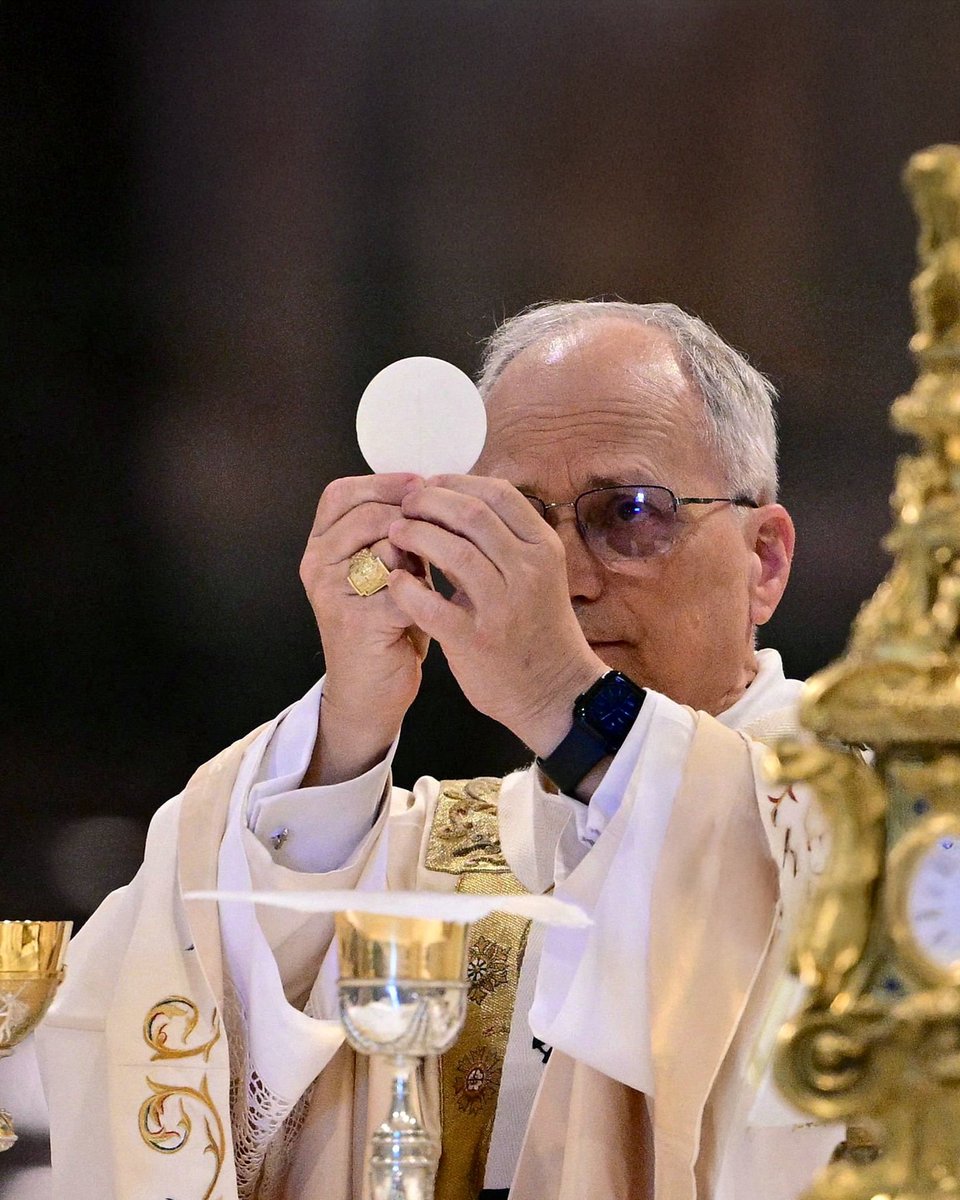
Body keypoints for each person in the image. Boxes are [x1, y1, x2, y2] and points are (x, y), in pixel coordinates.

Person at [36, 300, 840, 1200]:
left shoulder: (884, 804)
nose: (562, 580)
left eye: (631, 513)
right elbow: (176, 987)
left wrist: (558, 700)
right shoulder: (438, 856)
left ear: (764, 561)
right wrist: (349, 724)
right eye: (517, 524)